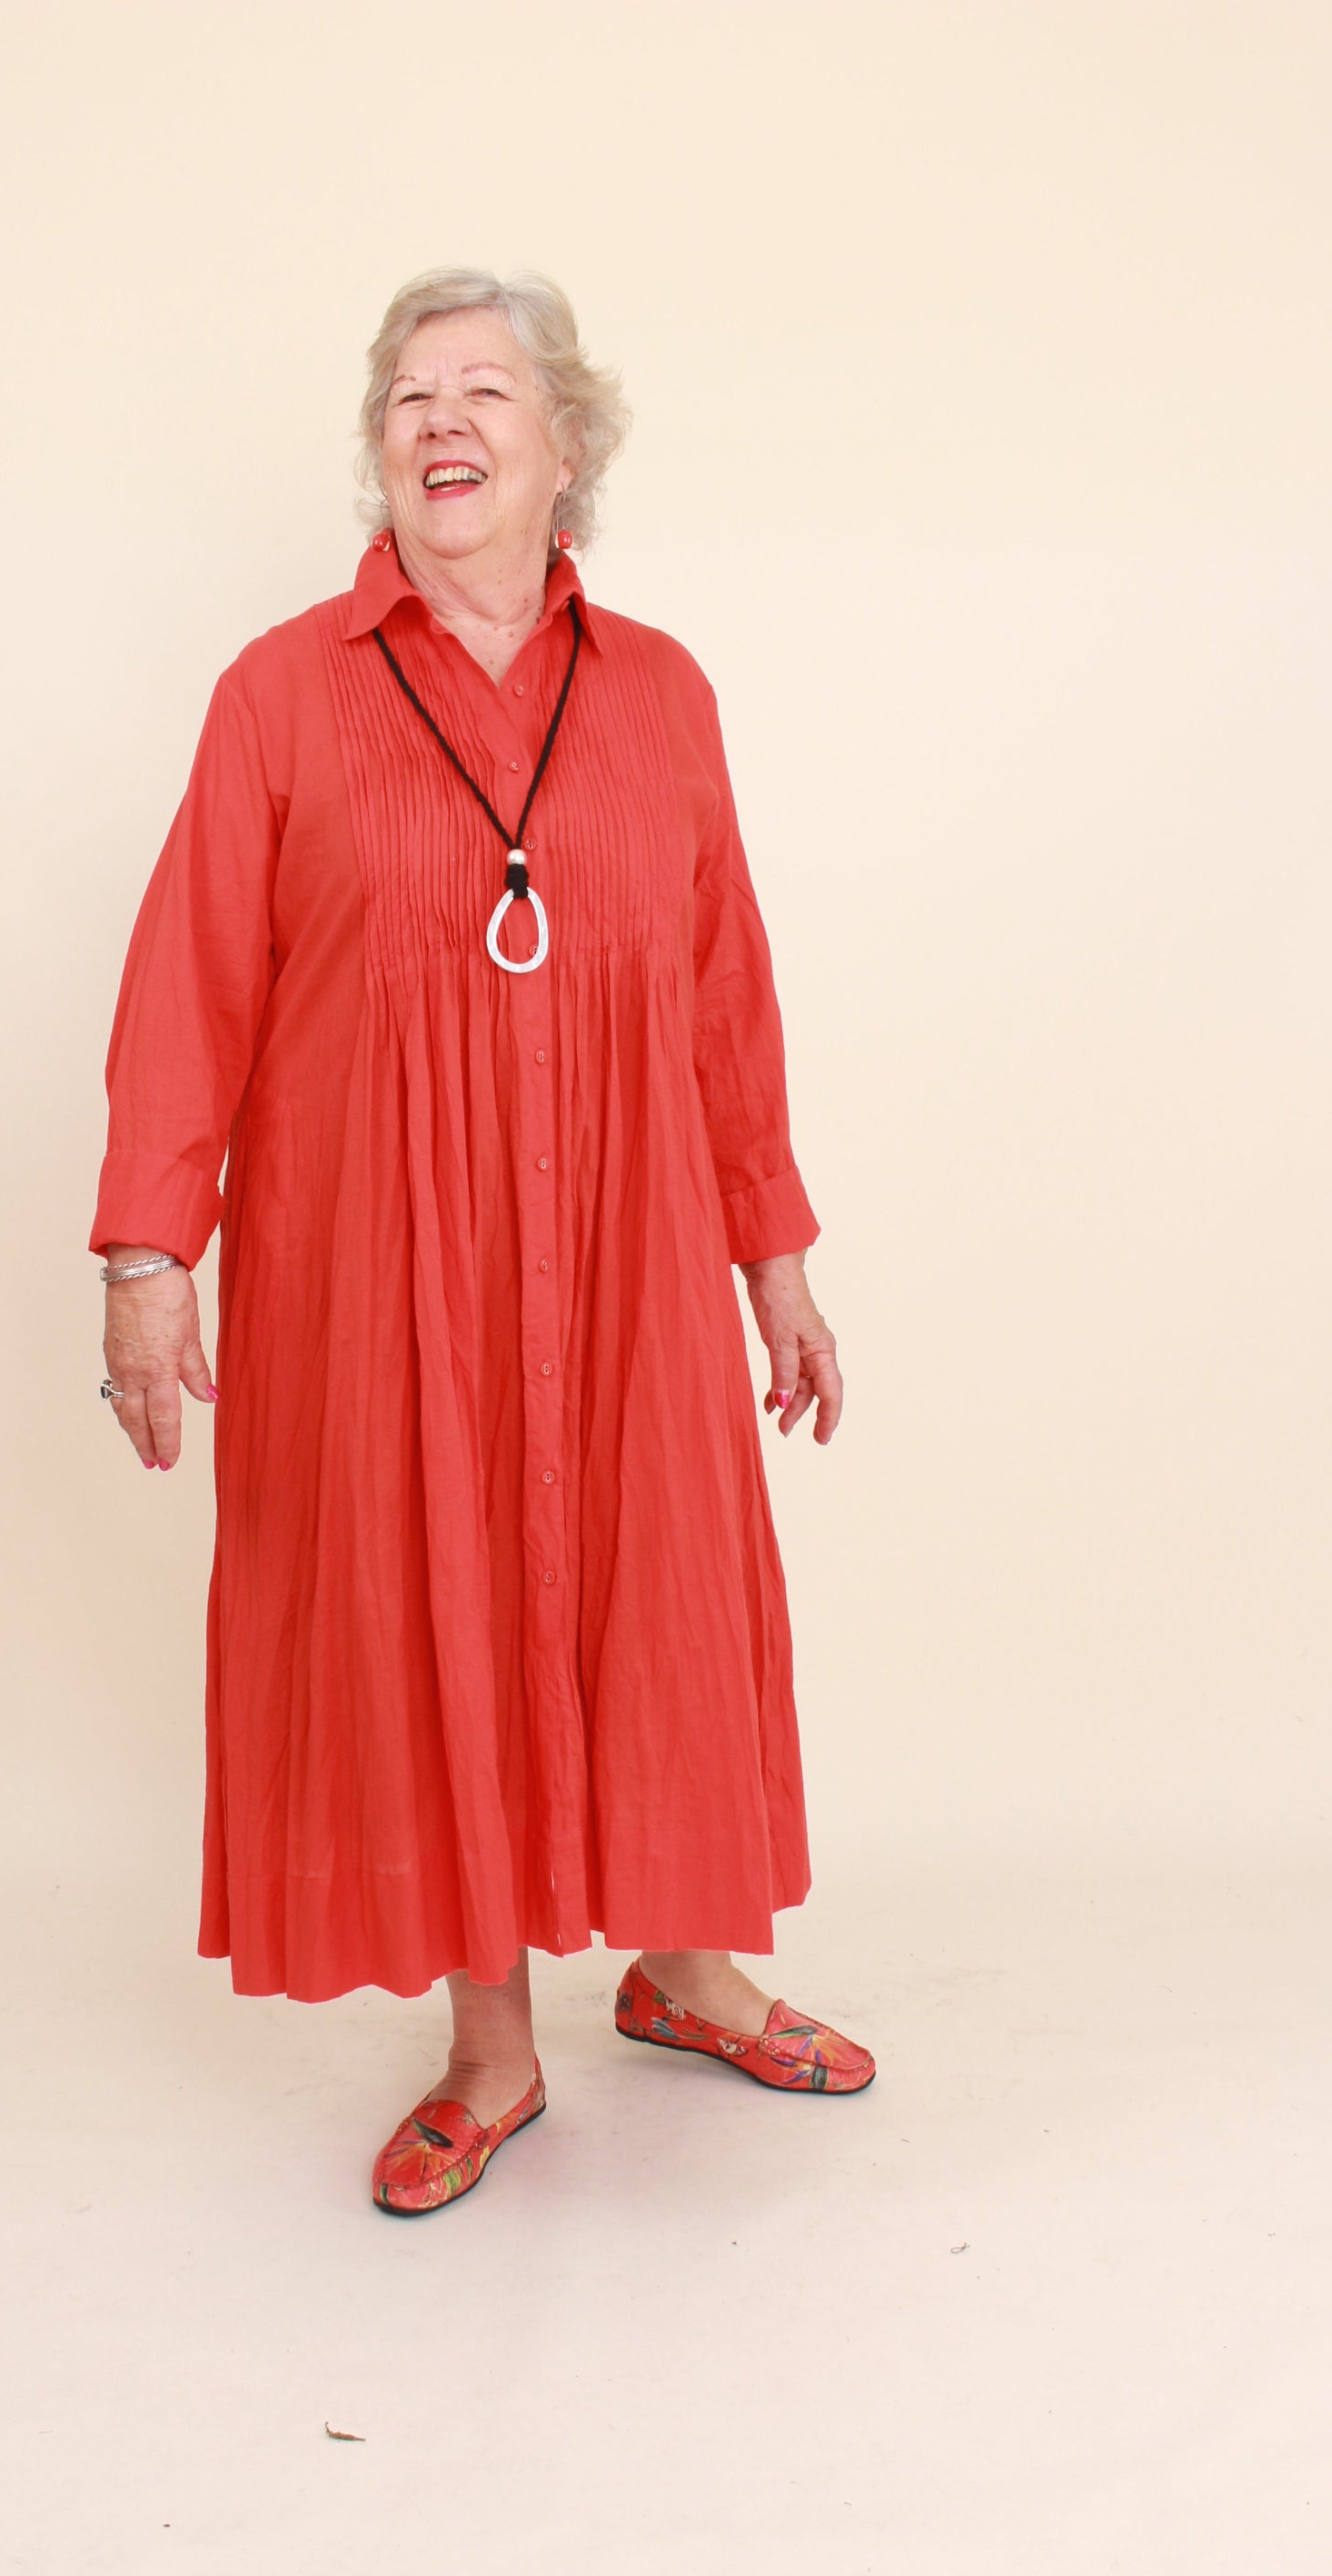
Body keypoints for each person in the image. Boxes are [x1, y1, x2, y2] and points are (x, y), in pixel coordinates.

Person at [89, 266, 874, 2218]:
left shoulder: (663, 692)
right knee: (431, 1601)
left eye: (484, 391)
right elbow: (191, 983)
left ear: (564, 450)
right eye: (406, 395)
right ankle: (488, 2042)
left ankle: (687, 1974)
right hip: (387, 1266)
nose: (438, 418)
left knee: (650, 1585)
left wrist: (769, 1254)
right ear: (380, 456)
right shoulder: (282, 693)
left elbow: (722, 990)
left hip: (624, 1252)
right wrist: (143, 1255)